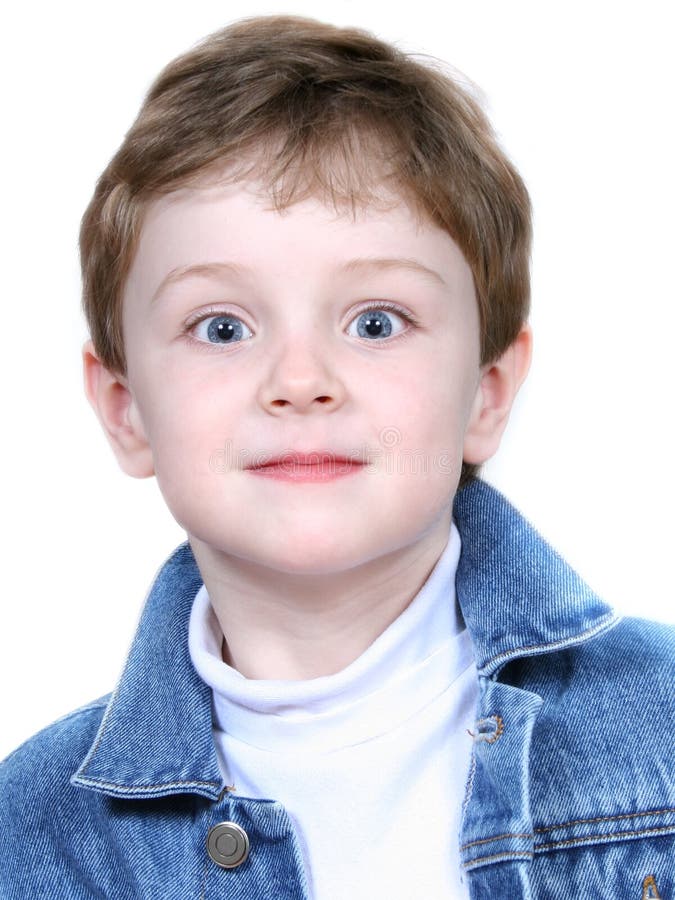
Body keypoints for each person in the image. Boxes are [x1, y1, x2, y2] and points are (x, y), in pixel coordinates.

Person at [0, 14, 672, 899]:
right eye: (222, 327)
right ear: (125, 411)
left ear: (487, 392)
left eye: (375, 322)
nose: (301, 380)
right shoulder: (33, 835)